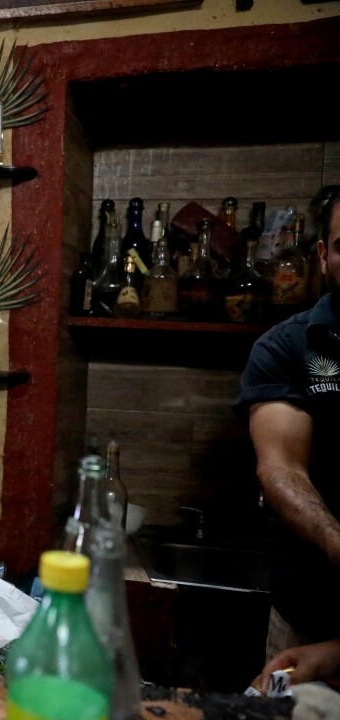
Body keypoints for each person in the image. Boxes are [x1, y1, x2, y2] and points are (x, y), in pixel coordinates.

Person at [235, 185, 340, 658]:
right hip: (312, 614)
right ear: (322, 255)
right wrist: (337, 541)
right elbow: (281, 468)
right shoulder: (290, 346)